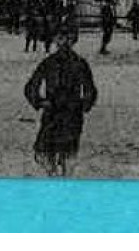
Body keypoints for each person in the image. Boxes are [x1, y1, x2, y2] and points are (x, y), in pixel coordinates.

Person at [23, 27, 99, 177]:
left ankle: (64, 182)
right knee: (43, 153)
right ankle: (52, 175)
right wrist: (39, 101)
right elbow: (31, 86)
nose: (64, 43)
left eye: (69, 39)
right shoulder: (48, 63)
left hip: (72, 115)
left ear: (74, 41)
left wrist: (83, 105)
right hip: (53, 113)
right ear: (56, 41)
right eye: (61, 39)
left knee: (68, 155)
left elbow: (90, 89)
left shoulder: (80, 64)